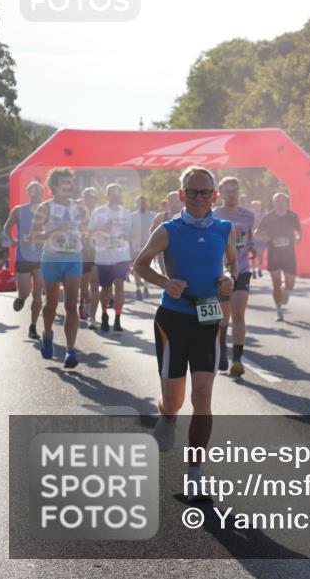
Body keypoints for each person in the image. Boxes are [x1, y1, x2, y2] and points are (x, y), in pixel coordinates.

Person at [133, 166, 236, 502]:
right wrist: (166, 283)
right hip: (173, 320)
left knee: (202, 395)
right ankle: (167, 414)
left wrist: (228, 280)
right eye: (192, 192)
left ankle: (194, 476)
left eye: (205, 192)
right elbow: (140, 264)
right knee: (176, 400)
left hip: (207, 317)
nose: (198, 198)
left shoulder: (225, 228)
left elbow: (233, 264)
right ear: (181, 195)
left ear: (214, 197)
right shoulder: (168, 230)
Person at [32, 168, 87, 368]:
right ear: (54, 186)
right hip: (52, 260)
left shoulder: (78, 207)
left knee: (72, 305)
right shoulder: (45, 208)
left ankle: (70, 351)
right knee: (51, 305)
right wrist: (55, 230)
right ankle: (47, 334)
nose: (68, 185)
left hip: (74, 258)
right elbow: (33, 236)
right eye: (64, 182)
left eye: (70, 182)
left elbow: (83, 229)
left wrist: (85, 234)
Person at [213, 177, 257, 376]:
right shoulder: (214, 215)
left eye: (235, 190)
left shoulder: (248, 215)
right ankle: (221, 348)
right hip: (220, 272)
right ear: (221, 194)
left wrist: (253, 246)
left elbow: (249, 236)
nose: (232, 194)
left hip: (243, 269)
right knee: (223, 316)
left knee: (238, 314)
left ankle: (237, 360)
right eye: (228, 191)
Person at [1, 180, 45, 339]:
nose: (35, 194)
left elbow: (52, 230)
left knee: (38, 294)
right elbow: (7, 226)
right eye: (32, 191)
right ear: (28, 193)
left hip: (41, 256)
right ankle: (21, 298)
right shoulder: (19, 210)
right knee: (25, 291)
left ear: (42, 193)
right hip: (23, 256)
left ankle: (33, 327)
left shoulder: (47, 210)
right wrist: (12, 240)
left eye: (37, 191)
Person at [88, 184, 134, 332]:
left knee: (119, 285)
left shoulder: (126, 213)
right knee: (106, 288)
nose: (115, 197)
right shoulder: (98, 212)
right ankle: (104, 313)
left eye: (118, 194)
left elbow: (129, 234)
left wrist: (132, 256)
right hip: (103, 256)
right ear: (107, 196)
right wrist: (102, 229)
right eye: (112, 194)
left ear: (121, 196)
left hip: (122, 255)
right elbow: (89, 233)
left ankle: (118, 319)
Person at [255, 193, 301, 321]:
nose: (280, 204)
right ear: (273, 203)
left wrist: (298, 237)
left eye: (283, 201)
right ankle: (279, 309)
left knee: (290, 284)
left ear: (287, 202)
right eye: (277, 201)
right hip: (274, 254)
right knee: (275, 283)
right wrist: (264, 237)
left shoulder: (292, 216)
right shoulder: (269, 217)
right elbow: (257, 233)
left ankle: (286, 291)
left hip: (289, 255)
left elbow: (299, 230)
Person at [78, 187, 100, 329]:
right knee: (83, 286)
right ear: (84, 199)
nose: (90, 200)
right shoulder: (79, 213)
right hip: (82, 252)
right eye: (88, 197)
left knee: (95, 284)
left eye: (93, 197)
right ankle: (85, 301)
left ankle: (92, 317)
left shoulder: (101, 212)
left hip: (98, 251)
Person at [151, 191, 184, 277]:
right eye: (172, 202)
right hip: (164, 254)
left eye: (177, 201)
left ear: (181, 202)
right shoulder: (160, 217)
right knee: (168, 279)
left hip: (182, 253)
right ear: (168, 202)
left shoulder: (187, 217)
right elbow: (152, 234)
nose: (174, 204)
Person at [130, 195, 156, 300]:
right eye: (140, 202)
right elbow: (128, 231)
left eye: (144, 202)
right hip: (136, 246)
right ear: (136, 204)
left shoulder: (152, 216)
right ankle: (138, 289)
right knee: (137, 268)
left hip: (148, 245)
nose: (142, 204)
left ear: (146, 203)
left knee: (147, 267)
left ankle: (145, 287)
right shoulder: (132, 217)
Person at [250, 199, 266, 278]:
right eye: (255, 206)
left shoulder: (263, 215)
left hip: (261, 236)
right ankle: (253, 270)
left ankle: (260, 268)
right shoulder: (250, 215)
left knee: (261, 254)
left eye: (259, 206)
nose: (257, 208)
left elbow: (264, 224)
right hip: (253, 237)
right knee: (253, 254)